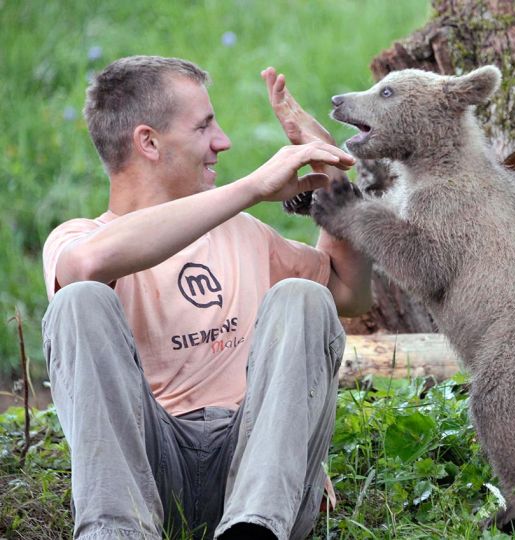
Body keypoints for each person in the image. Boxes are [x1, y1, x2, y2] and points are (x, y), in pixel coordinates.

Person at [41, 55, 372, 540]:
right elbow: (85, 267)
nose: (223, 142)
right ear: (148, 142)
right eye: (204, 127)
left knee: (305, 297)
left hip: (257, 475)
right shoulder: (79, 238)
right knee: (77, 302)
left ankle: (253, 530)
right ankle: (115, 531)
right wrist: (253, 187)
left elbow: (349, 292)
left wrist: (332, 170)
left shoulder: (243, 233)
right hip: (150, 472)